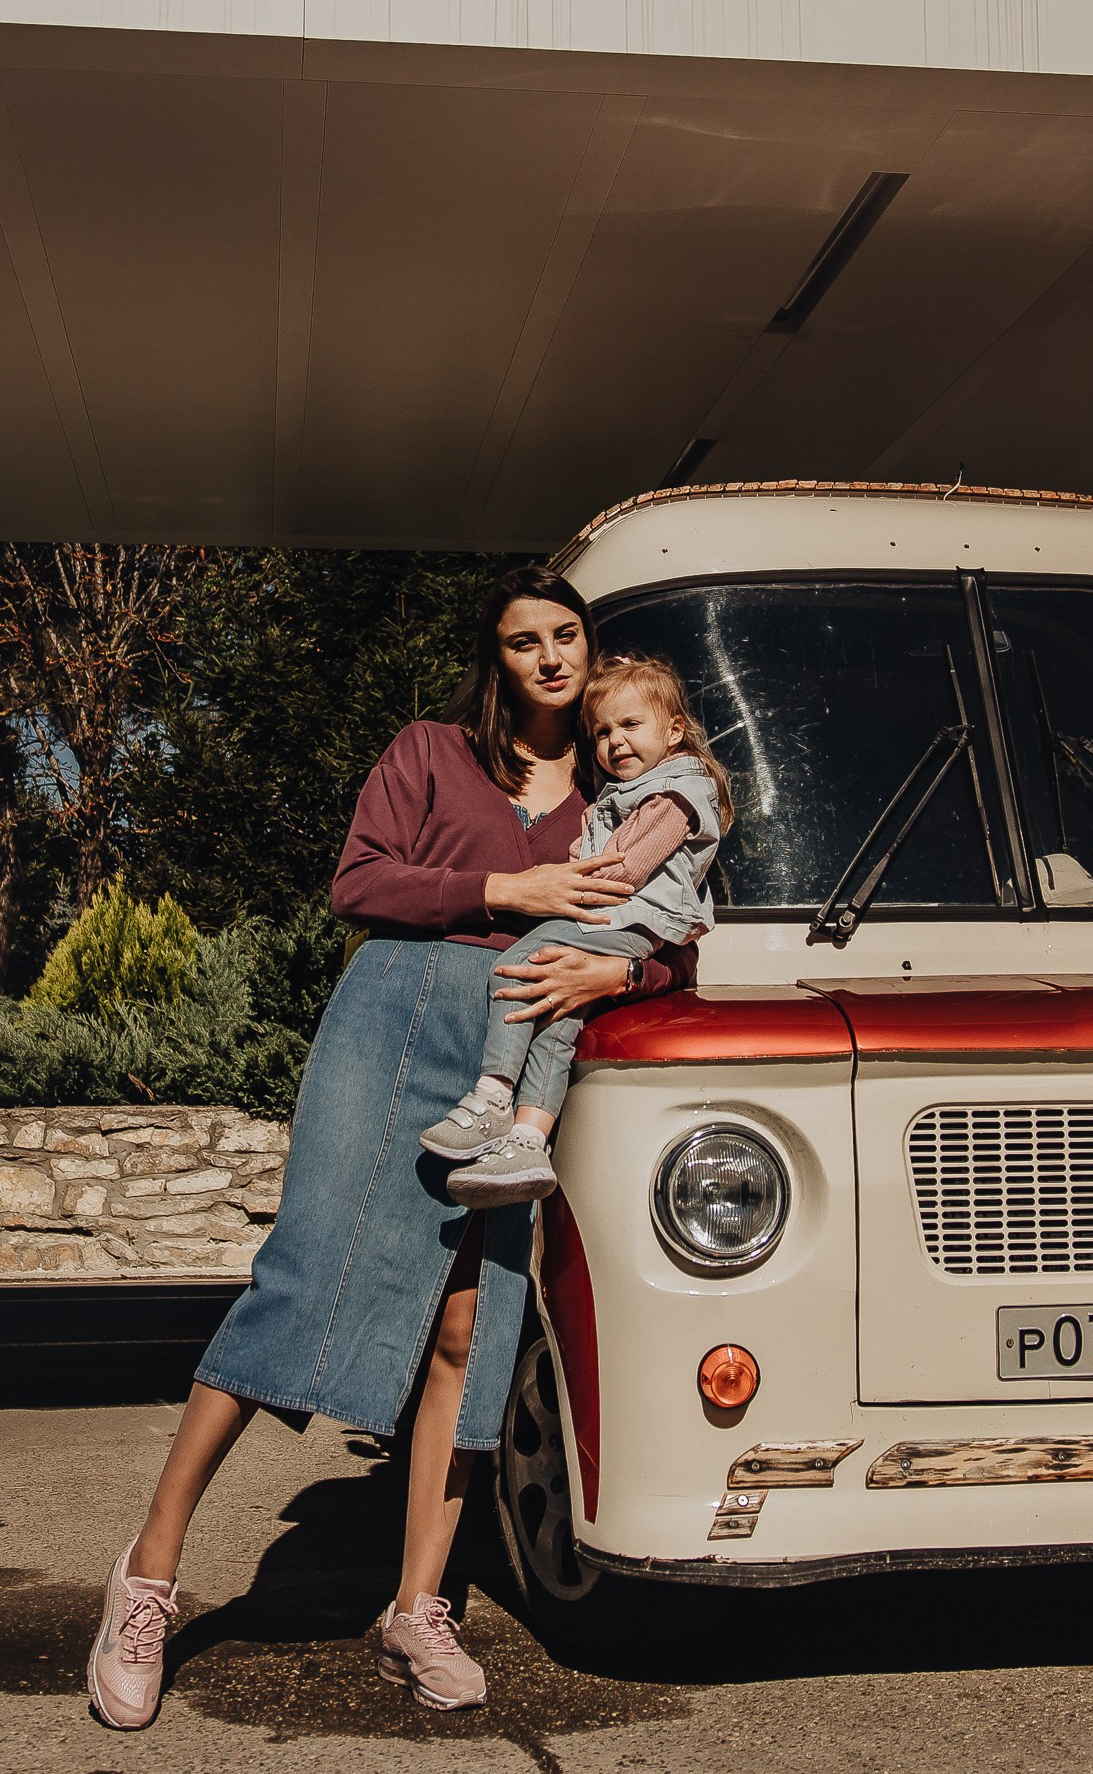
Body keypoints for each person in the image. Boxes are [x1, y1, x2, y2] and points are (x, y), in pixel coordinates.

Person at [87, 567, 697, 1729]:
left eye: (568, 636)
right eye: (525, 643)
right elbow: (358, 880)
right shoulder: (431, 751)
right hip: (393, 1017)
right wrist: (505, 883)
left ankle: (419, 1604)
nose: (552, 659)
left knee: (473, 1324)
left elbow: (678, 929)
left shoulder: (635, 786)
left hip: (517, 1044)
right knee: (301, 1281)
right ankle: (149, 1573)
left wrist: (620, 970)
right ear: (497, 661)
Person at [420, 652, 732, 1207]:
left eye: (630, 725)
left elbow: (627, 869)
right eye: (603, 732)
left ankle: (492, 1096)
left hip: (625, 916)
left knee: (516, 969)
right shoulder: (632, 793)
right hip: (618, 917)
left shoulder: (675, 794)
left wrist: (561, 881)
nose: (615, 742)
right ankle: (528, 1141)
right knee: (559, 1013)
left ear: (675, 730)